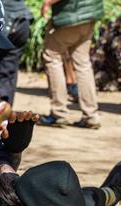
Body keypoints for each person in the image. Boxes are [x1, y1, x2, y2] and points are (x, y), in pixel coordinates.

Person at [39, 0, 101, 129]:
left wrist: (47, 3)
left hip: (70, 15)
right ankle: (91, 116)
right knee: (83, 63)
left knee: (52, 57)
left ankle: (59, 113)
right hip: (89, 14)